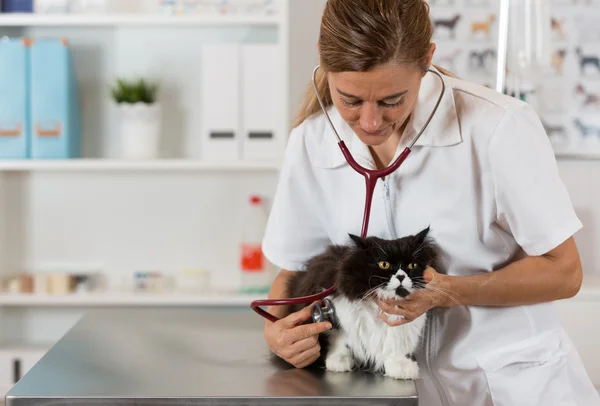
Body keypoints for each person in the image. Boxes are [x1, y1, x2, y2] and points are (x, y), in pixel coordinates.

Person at [261, 0, 600, 405]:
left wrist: (448, 291)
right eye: (351, 99)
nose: (370, 122)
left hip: (510, 388)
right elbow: (292, 274)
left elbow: (564, 272)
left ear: (427, 59)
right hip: (391, 393)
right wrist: (278, 332)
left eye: (391, 100)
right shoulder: (312, 140)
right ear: (321, 56)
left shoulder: (496, 128)